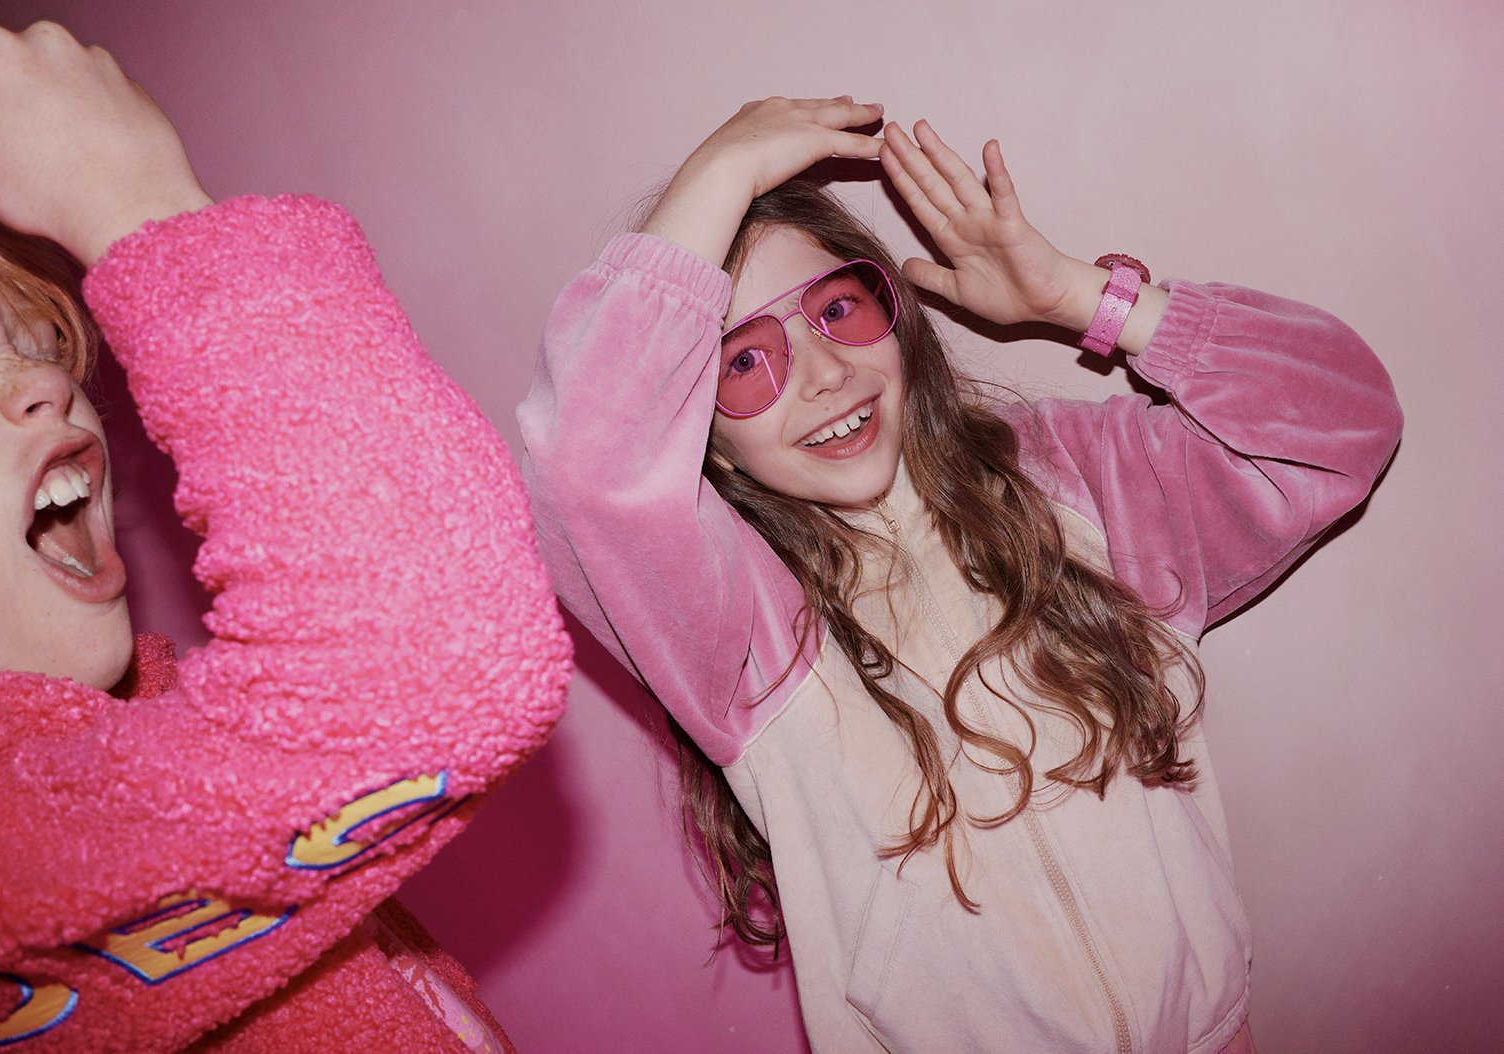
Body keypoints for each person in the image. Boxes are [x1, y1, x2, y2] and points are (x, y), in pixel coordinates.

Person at [520, 96, 1402, 1053]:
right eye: (744, 362)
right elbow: (584, 469)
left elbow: (1338, 423)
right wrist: (720, 169)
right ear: (709, 445)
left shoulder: (1078, 483)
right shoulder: (742, 635)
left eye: (837, 310)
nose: (823, 372)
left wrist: (1080, 298)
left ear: (893, 318)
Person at [0, 22, 570, 1053]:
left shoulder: (140, 726)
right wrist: (131, 200)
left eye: (41, 346)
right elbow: (435, 660)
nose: (46, 383)